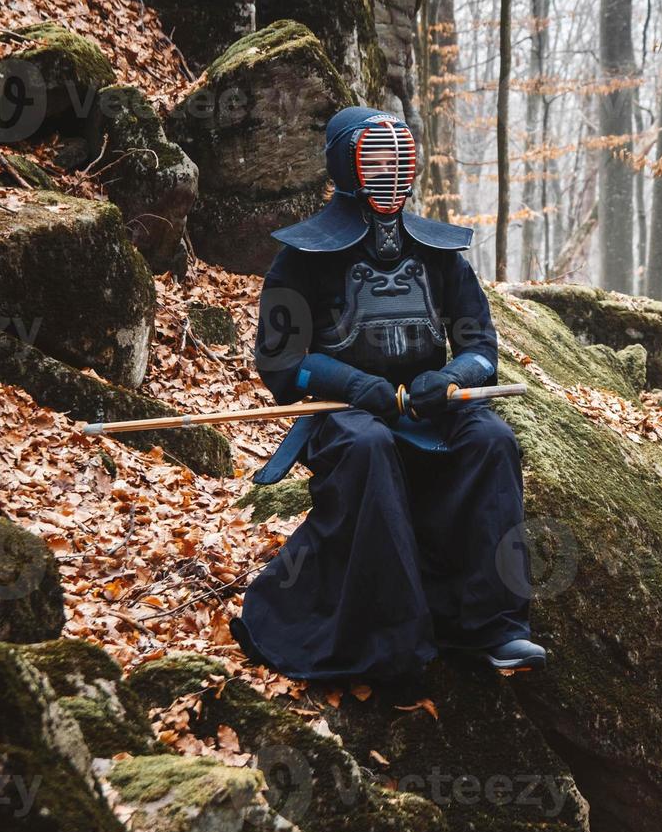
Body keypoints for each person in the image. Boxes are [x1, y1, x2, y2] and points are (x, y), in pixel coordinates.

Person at [230, 106, 545, 682]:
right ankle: (392, 640)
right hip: (347, 417)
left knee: (493, 438)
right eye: (375, 158)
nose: (390, 171)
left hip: (431, 411)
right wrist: (351, 383)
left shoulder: (440, 253)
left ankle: (493, 626)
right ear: (345, 164)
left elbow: (480, 347)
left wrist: (451, 380)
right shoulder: (300, 258)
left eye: (399, 158)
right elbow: (279, 363)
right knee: (368, 447)